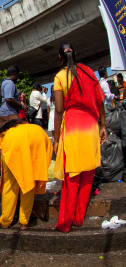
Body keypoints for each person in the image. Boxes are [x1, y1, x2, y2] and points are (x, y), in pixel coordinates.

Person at [53, 42, 106, 233]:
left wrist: (56, 138)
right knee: (87, 175)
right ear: (75, 54)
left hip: (73, 127)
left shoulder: (60, 77)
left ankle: (65, 223)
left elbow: (59, 111)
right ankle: (78, 219)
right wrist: (103, 126)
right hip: (91, 126)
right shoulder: (89, 72)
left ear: (60, 57)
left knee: (71, 177)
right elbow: (100, 99)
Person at [0, 119, 52, 230]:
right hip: (39, 136)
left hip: (15, 145)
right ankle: (24, 222)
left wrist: (1, 168)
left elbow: (1, 155)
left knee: (10, 185)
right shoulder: (26, 126)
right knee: (28, 181)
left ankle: (5, 221)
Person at [0, 65, 27, 129]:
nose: (18, 78)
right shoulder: (9, 83)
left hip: (3, 115)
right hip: (8, 114)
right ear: (14, 74)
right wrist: (21, 106)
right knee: (20, 131)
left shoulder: (4, 82)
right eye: (18, 75)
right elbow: (9, 99)